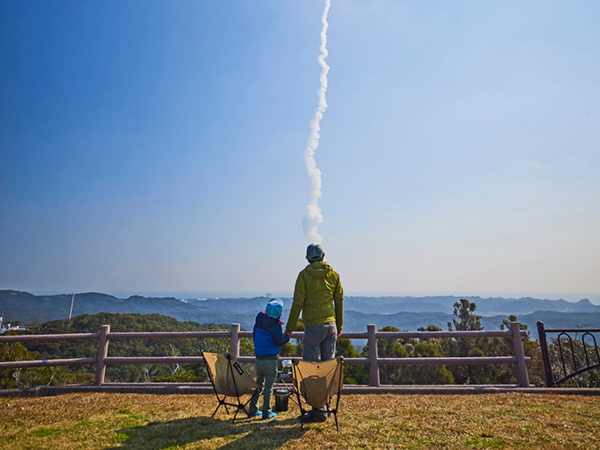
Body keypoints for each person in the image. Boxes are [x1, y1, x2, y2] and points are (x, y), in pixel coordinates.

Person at [285, 243, 344, 422]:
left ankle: (318, 410)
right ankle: (325, 406)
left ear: (307, 258)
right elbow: (339, 301)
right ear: (324, 255)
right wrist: (339, 325)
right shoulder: (334, 275)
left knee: (311, 368)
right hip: (331, 325)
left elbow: (297, 303)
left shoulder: (304, 276)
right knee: (328, 367)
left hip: (313, 326)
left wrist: (290, 328)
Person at [248, 297, 290, 420]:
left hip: (259, 357)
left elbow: (255, 336)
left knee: (258, 385)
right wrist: (287, 336)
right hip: (271, 358)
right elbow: (279, 341)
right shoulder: (275, 326)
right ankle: (267, 412)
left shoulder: (259, 320)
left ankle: (253, 410)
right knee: (269, 386)